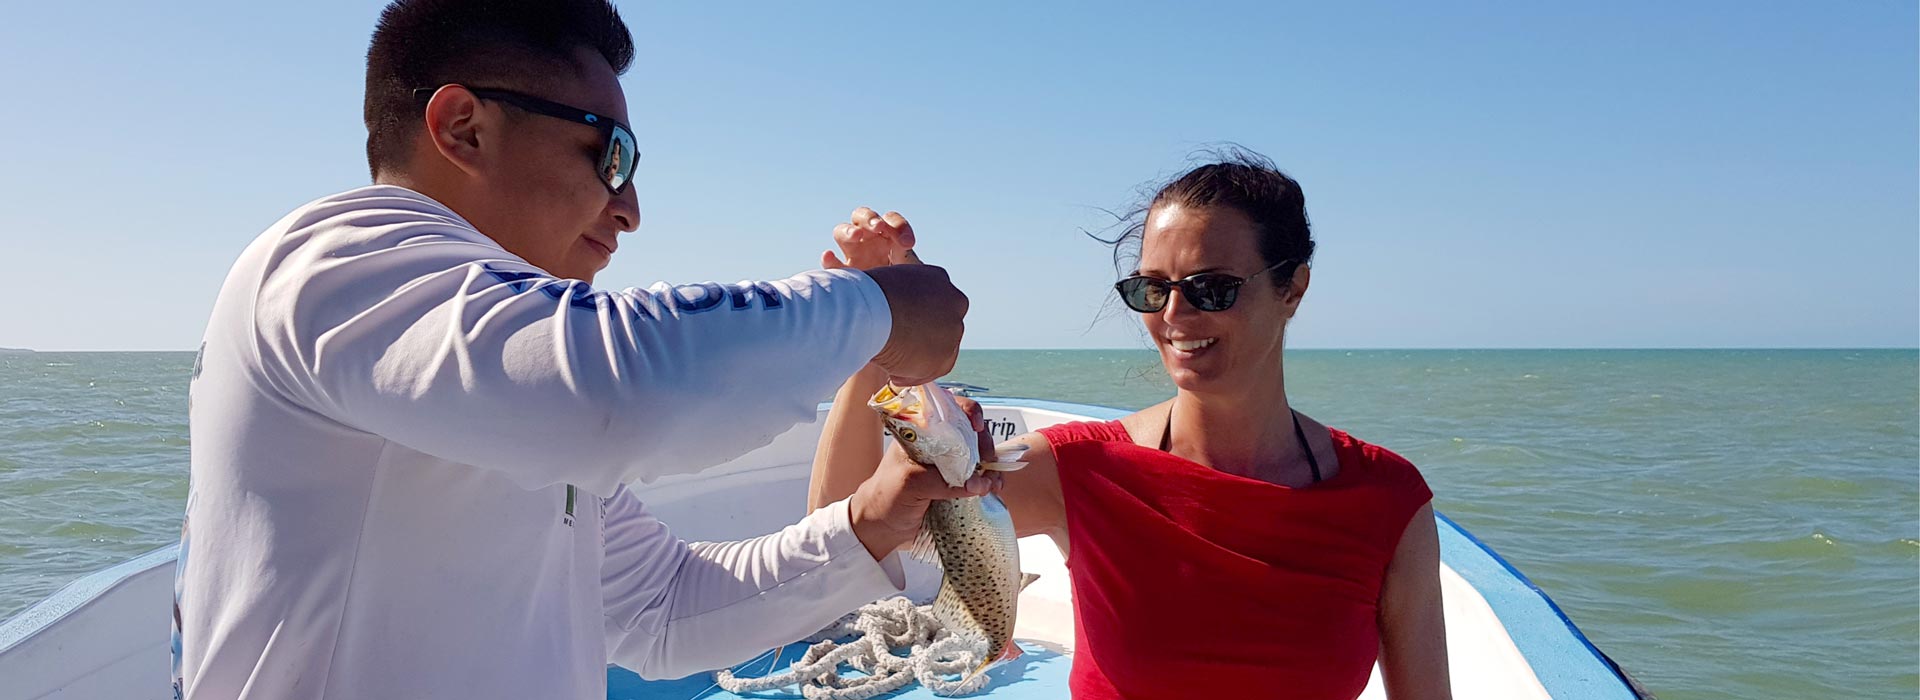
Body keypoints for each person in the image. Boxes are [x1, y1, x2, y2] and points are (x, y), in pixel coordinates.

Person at [171, 2, 996, 698]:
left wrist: (871, 522)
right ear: (463, 129)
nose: (630, 207)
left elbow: (664, 607)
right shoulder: (334, 263)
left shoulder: (502, 371)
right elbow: (615, 387)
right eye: (610, 155)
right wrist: (876, 309)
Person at [809, 151, 1453, 699]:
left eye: (1212, 288)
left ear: (1293, 289)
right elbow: (841, 534)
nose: (1174, 315)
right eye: (1151, 289)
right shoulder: (1082, 469)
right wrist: (881, 340)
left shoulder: (1387, 499)